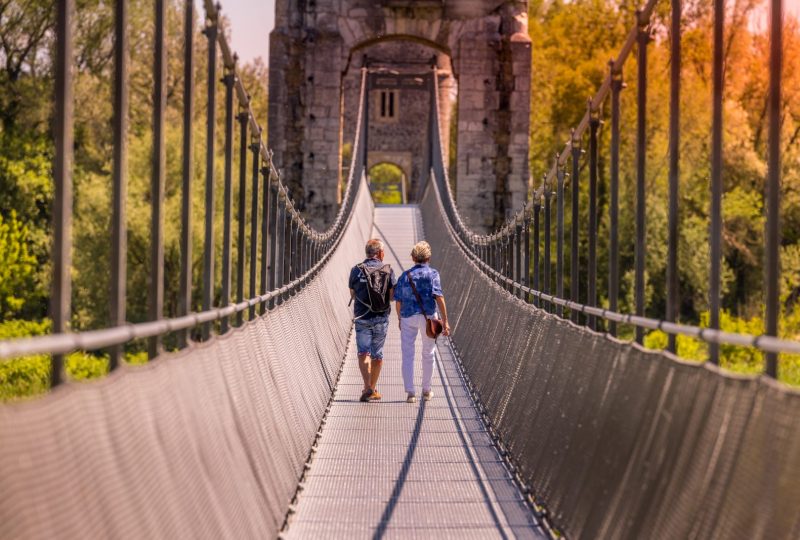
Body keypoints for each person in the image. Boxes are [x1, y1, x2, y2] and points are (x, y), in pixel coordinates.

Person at [393, 241, 450, 403]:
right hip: (428, 318)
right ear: (428, 258)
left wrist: (399, 318)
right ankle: (426, 390)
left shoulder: (404, 276)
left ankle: (410, 392)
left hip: (407, 317)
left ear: (412, 258)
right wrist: (445, 321)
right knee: (428, 353)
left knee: (407, 354)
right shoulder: (433, 274)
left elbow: (398, 301)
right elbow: (439, 297)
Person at [349, 238, 396, 402]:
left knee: (363, 352)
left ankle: (367, 386)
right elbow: (391, 296)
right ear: (381, 253)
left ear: (367, 253)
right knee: (377, 354)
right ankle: (373, 388)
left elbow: (352, 294)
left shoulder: (356, 270)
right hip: (381, 318)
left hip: (362, 317)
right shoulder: (388, 270)